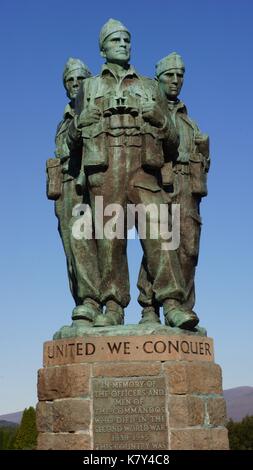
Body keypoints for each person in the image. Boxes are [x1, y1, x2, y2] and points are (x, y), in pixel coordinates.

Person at [68, 19, 193, 328]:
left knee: (161, 233)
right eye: (115, 41)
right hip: (105, 170)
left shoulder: (150, 86)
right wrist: (78, 123)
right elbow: (72, 140)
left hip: (143, 168)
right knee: (111, 242)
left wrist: (160, 121)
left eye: (126, 40)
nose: (123, 44)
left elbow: (173, 140)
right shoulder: (90, 86)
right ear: (102, 49)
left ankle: (172, 303)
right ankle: (112, 306)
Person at [138, 52, 210, 329]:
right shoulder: (151, 111)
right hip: (158, 182)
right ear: (158, 78)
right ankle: (150, 307)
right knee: (158, 246)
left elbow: (205, 163)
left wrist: (203, 154)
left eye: (180, 75)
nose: (176, 80)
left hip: (187, 188)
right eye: (170, 74)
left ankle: (184, 309)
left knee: (189, 250)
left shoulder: (189, 121)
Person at [48, 58, 101, 326]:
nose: (75, 84)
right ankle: (83, 304)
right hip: (67, 188)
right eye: (70, 80)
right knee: (73, 253)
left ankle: (97, 302)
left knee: (96, 247)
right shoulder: (65, 119)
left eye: (80, 79)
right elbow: (62, 151)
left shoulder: (96, 110)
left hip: (95, 185)